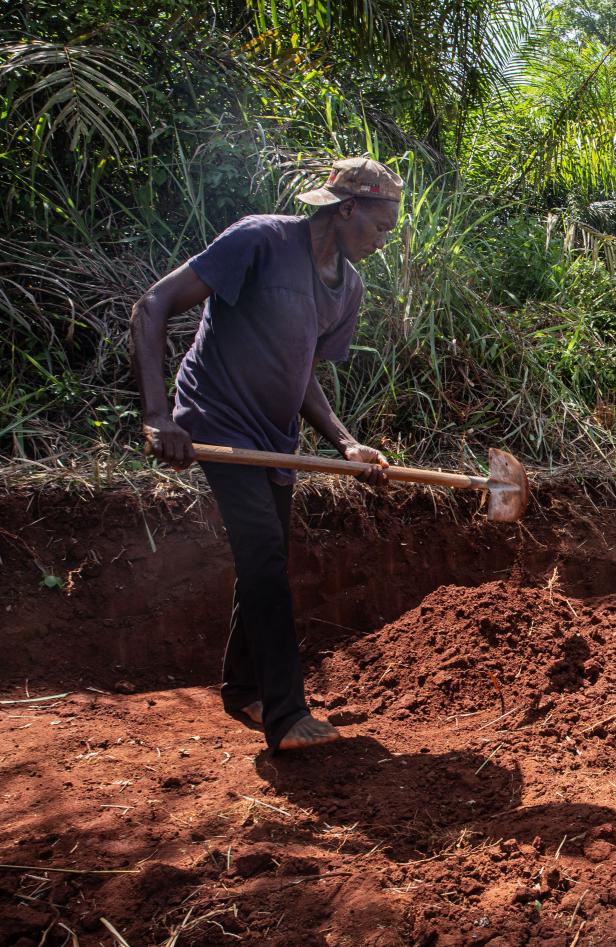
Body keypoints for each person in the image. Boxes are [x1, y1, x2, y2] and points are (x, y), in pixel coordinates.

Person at [132, 157, 402, 752]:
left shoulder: (348, 288)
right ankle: (286, 716)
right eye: (381, 227)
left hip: (274, 439)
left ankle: (244, 689)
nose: (384, 242)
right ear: (347, 209)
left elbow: (302, 373)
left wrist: (346, 442)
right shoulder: (260, 240)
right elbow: (152, 305)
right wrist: (158, 417)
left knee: (265, 560)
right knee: (264, 561)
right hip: (216, 418)